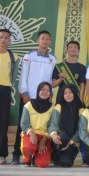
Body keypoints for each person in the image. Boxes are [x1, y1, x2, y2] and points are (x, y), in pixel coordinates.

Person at [15, 30, 56, 164]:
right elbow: (23, 75)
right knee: (23, 126)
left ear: (50, 42)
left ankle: (38, 154)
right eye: (42, 38)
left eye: (47, 39)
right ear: (38, 40)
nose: (45, 41)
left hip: (44, 98)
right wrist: (25, 93)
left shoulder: (52, 59)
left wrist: (50, 94)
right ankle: (18, 154)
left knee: (42, 127)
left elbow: (50, 79)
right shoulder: (29, 56)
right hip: (29, 97)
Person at [0, 28, 18, 165]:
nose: (3, 40)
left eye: (6, 37)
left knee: (2, 124)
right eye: (1, 37)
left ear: (9, 40)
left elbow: (14, 75)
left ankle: (1, 155)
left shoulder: (14, 56)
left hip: (5, 91)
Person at [20, 81, 54, 167]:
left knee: (43, 164)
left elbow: (51, 126)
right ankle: (29, 158)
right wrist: (31, 134)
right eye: (42, 89)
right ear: (38, 90)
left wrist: (43, 142)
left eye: (48, 90)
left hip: (44, 137)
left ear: (50, 93)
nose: (45, 92)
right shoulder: (29, 105)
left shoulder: (52, 108)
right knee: (29, 148)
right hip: (30, 134)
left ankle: (35, 157)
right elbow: (24, 123)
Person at [48, 84, 83, 167]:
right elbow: (53, 124)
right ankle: (55, 152)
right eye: (65, 93)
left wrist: (71, 142)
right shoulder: (59, 106)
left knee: (66, 162)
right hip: (61, 138)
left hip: (73, 141)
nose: (68, 95)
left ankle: (65, 155)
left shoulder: (81, 109)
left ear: (75, 93)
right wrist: (54, 135)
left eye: (70, 92)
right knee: (62, 136)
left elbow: (80, 129)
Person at [52, 40, 86, 105]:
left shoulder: (82, 67)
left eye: (75, 47)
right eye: (70, 47)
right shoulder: (59, 66)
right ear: (67, 50)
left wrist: (80, 101)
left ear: (79, 51)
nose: (73, 49)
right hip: (61, 99)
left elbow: (82, 86)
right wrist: (60, 79)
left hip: (75, 100)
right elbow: (53, 84)